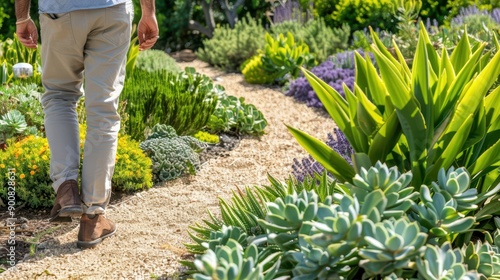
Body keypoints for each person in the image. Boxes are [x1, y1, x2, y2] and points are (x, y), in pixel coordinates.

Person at [15, 0, 159, 249]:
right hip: (111, 10)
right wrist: (149, 11)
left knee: (59, 96)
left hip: (59, 11)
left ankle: (66, 187)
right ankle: (92, 218)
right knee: (103, 109)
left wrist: (22, 17)